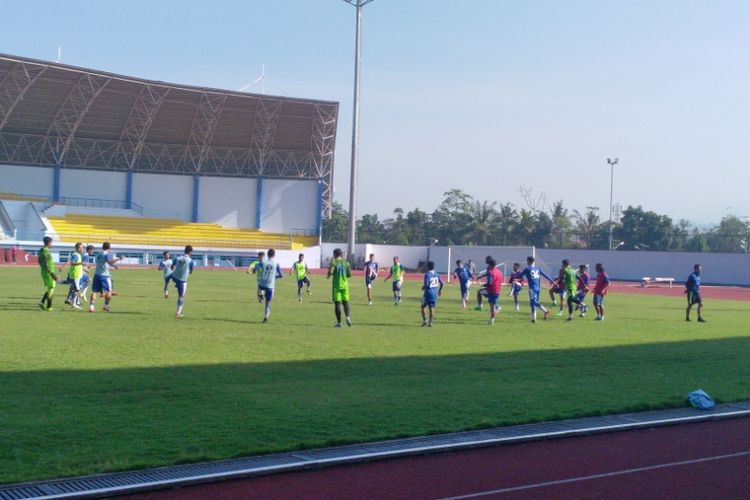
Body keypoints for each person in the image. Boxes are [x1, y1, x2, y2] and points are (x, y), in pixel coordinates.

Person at [89, 242, 122, 313]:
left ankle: (91, 307)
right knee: (109, 291)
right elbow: (109, 262)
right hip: (105, 276)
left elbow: (104, 263)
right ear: (109, 247)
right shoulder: (107, 254)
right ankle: (106, 305)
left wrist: (113, 266)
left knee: (94, 291)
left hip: (97, 274)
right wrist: (119, 258)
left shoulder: (98, 254)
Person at [522, 256, 553, 323]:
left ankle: (546, 311)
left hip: (532, 288)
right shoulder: (537, 268)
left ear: (529, 261)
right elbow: (545, 275)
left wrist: (519, 279)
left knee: (533, 302)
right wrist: (552, 281)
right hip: (538, 288)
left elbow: (520, 275)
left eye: (527, 261)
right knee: (533, 303)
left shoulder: (527, 269)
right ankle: (534, 319)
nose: (526, 262)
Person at [328, 248, 352, 327]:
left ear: (335, 254)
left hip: (337, 286)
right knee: (345, 302)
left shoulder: (334, 262)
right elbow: (349, 274)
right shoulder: (346, 263)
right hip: (345, 286)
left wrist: (329, 274)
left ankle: (339, 323)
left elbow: (330, 272)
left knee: (337, 304)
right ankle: (348, 317)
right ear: (341, 254)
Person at [258, 248, 284, 323]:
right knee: (268, 303)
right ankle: (266, 317)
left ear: (267, 254)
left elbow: (257, 267)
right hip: (270, 286)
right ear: (274, 255)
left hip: (262, 284)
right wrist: (274, 277)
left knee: (259, 292)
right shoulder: (276, 263)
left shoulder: (263, 262)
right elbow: (282, 275)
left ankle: (260, 295)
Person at [171, 245, 195, 318]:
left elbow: (172, 266)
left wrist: (175, 271)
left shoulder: (178, 257)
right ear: (190, 252)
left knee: (179, 290)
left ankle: (176, 284)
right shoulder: (191, 261)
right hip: (182, 280)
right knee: (181, 296)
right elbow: (191, 271)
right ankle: (178, 313)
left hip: (174, 277)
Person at [62, 242, 85, 309]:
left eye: (82, 247)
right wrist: (81, 263)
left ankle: (73, 302)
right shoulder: (75, 255)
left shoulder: (78, 255)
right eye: (81, 247)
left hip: (77, 275)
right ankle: (74, 304)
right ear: (77, 248)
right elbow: (72, 263)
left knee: (75, 289)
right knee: (76, 289)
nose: (82, 249)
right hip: (75, 275)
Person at [421, 261, 444, 326]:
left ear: (428, 267)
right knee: (431, 308)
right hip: (434, 294)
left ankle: (425, 320)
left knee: (423, 306)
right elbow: (442, 283)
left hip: (427, 293)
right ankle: (430, 322)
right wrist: (440, 290)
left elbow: (426, 284)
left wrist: (423, 287)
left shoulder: (427, 274)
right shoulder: (437, 274)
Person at [38, 236, 57, 311]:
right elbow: (46, 263)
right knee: (52, 288)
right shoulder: (47, 252)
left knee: (49, 288)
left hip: (43, 272)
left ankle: (42, 302)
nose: (52, 244)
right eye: (51, 243)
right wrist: (52, 273)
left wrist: (43, 268)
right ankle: (49, 306)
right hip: (49, 273)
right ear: (49, 243)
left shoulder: (41, 250)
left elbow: (39, 261)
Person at [485, 258, 503, 325]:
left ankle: (492, 320)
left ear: (490, 265)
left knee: (493, 306)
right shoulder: (499, 272)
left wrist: (484, 285)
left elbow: (490, 283)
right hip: (497, 290)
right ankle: (492, 318)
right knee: (491, 305)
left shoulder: (490, 272)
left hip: (492, 290)